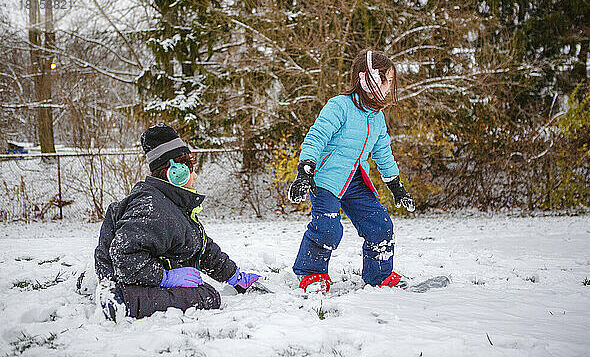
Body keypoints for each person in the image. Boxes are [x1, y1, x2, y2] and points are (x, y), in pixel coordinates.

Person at [94, 124, 260, 321]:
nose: (195, 176)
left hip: (137, 273)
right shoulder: (154, 208)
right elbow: (124, 256)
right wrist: (165, 278)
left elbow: (200, 247)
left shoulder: (171, 203)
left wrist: (234, 276)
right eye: (190, 170)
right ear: (175, 172)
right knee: (207, 296)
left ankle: (111, 289)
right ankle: (121, 301)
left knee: (203, 291)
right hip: (126, 279)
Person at [288, 50, 415, 292]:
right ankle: (311, 272)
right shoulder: (339, 106)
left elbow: (383, 153)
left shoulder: (376, 118)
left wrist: (397, 187)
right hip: (326, 179)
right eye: (387, 80)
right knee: (328, 227)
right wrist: (305, 170)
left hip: (355, 181)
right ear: (370, 80)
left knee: (381, 225)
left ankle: (379, 275)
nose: (390, 86)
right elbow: (317, 136)